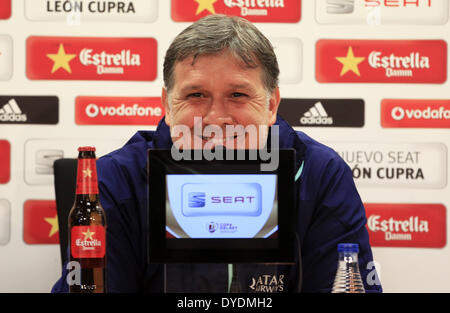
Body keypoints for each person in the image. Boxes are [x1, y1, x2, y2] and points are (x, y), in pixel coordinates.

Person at [52, 14, 382, 293]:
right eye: (196, 95)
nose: (215, 118)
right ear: (167, 104)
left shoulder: (320, 173)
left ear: (271, 105)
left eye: (237, 94)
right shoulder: (115, 180)